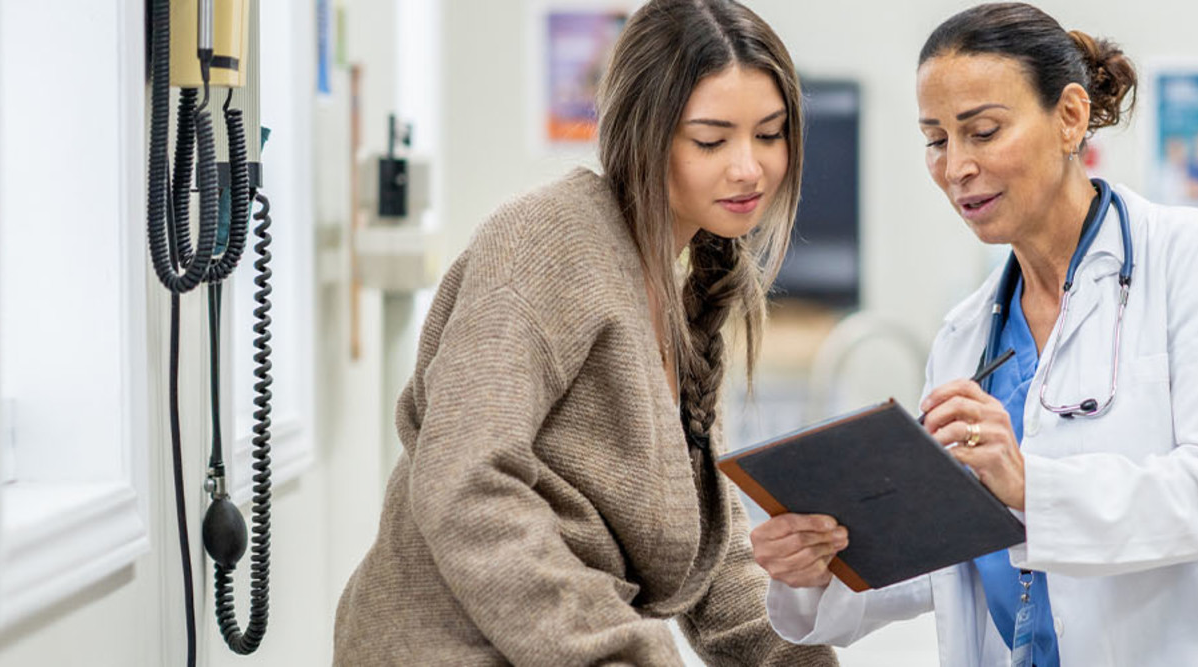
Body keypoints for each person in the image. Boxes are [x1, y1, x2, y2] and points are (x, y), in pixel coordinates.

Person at [748, 3, 1198, 665]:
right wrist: (821, 561)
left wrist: (1029, 484)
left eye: (982, 131)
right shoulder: (964, 337)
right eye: (936, 139)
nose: (956, 168)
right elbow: (953, 556)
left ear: (1069, 117)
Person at [332, 1, 836, 664]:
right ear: (643, 136)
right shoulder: (549, 241)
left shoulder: (674, 288)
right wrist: (624, 651)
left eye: (770, 135)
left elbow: (711, 562)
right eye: (711, 140)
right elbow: (464, 480)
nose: (749, 168)